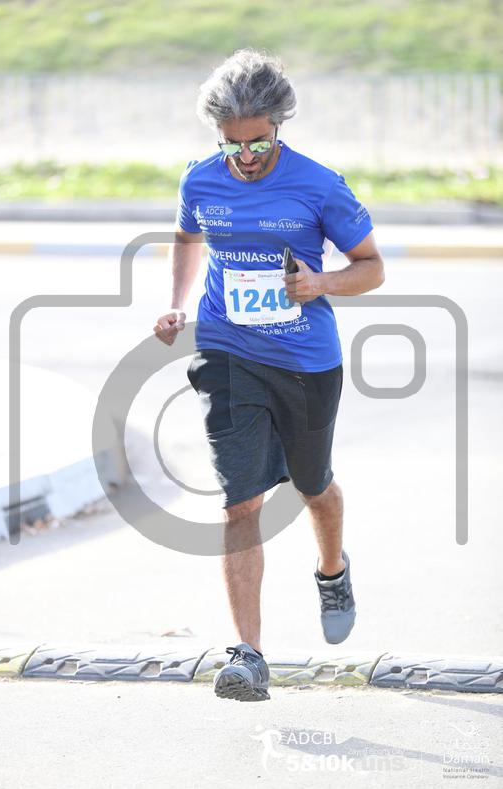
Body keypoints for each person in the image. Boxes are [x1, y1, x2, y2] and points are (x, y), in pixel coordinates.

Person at [153, 49, 385, 702]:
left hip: (305, 361)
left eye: (258, 142)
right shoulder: (200, 181)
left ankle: (332, 570)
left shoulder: (319, 185)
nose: (246, 157)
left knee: (314, 486)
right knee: (240, 501)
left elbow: (372, 267)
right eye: (232, 145)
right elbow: (188, 239)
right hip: (227, 353)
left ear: (279, 126)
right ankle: (247, 654)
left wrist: (322, 283)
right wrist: (176, 302)